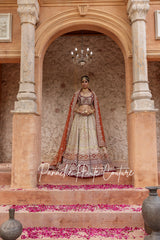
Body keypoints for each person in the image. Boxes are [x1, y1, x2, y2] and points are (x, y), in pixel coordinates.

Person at [51, 75, 109, 177]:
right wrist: (80, 111)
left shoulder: (93, 94)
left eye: (86, 81)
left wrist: (90, 111)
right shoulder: (77, 94)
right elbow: (73, 107)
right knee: (78, 137)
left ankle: (92, 165)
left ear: (89, 83)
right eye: (82, 81)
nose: (84, 83)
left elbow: (96, 108)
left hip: (89, 119)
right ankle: (75, 164)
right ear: (81, 83)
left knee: (89, 138)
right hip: (79, 119)